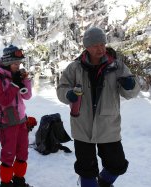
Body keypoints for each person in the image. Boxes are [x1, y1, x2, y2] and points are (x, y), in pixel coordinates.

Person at [56, 27, 141, 187]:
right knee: (86, 169)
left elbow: (131, 93)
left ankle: (103, 183)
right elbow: (61, 89)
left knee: (117, 165)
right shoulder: (74, 68)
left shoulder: (117, 66)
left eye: (102, 44)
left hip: (108, 126)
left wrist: (131, 85)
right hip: (82, 126)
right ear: (86, 47)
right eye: (95, 45)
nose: (100, 48)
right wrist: (68, 94)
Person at [0, 45, 33, 187]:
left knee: (22, 153)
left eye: (19, 63)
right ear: (7, 62)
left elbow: (27, 96)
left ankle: (19, 182)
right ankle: (6, 184)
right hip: (7, 123)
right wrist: (14, 84)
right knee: (8, 155)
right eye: (15, 63)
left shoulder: (16, 76)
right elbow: (4, 101)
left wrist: (25, 80)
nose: (18, 66)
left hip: (20, 120)